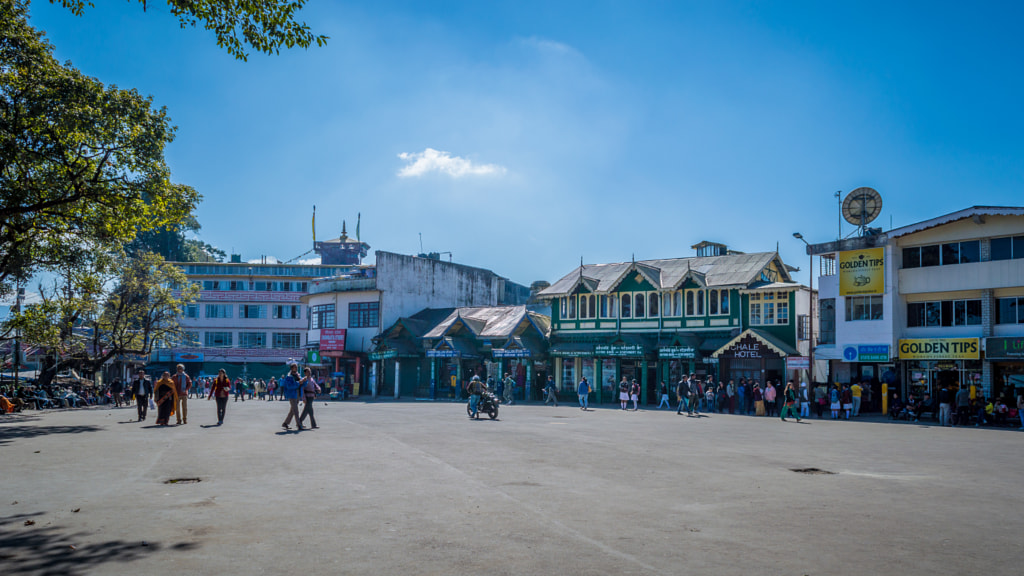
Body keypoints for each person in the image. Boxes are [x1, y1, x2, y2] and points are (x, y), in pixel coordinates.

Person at [280, 363, 304, 430]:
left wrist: (304, 381)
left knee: (292, 410)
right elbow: (289, 386)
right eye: (295, 367)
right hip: (292, 394)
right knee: (296, 410)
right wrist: (299, 383)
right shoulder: (289, 376)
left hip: (298, 394)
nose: (296, 368)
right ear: (291, 368)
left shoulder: (298, 375)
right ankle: (299, 425)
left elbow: (302, 383)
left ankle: (285, 423)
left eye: (296, 367)